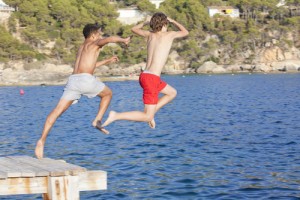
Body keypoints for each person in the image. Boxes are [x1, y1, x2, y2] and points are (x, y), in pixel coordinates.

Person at [35, 23, 131, 159]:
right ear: (93, 35)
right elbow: (109, 40)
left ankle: (41, 140)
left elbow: (88, 66)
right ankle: (97, 120)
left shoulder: (81, 48)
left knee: (56, 112)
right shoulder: (95, 43)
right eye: (98, 34)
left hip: (73, 81)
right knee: (108, 94)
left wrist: (106, 61)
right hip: (86, 80)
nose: (100, 36)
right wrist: (123, 40)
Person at [102, 12, 188, 129]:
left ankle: (152, 113)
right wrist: (173, 21)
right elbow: (185, 32)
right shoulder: (169, 35)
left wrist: (146, 22)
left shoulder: (149, 34)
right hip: (151, 79)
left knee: (172, 93)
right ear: (165, 23)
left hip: (147, 76)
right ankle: (116, 115)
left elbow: (134, 29)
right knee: (146, 117)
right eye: (167, 23)